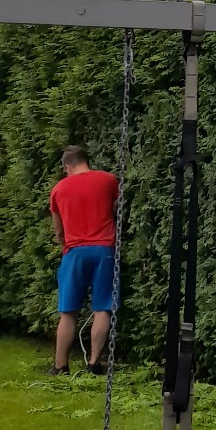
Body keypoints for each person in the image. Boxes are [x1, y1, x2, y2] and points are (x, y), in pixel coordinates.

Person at [49, 144, 120, 374]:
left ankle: (60, 366)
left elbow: (59, 231)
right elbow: (116, 209)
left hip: (75, 251)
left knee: (68, 311)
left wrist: (66, 247)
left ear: (67, 166)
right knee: (103, 308)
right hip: (104, 250)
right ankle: (93, 363)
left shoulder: (59, 189)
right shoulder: (109, 180)